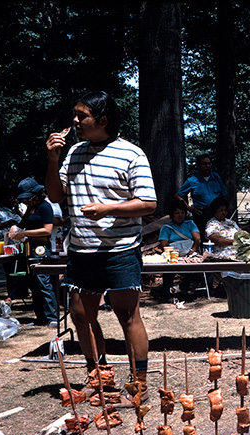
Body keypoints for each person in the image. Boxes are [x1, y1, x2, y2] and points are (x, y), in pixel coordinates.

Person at [45, 90, 157, 405]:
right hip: (81, 250)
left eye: (82, 116)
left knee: (127, 315)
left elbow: (148, 203)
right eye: (75, 115)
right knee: (80, 314)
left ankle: (139, 384)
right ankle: (100, 377)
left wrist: (108, 209)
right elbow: (56, 196)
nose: (75, 121)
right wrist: (53, 160)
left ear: (103, 120)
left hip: (120, 250)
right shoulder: (75, 153)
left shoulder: (131, 154)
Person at [8, 178, 58, 326]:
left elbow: (48, 230)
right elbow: (22, 223)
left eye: (26, 198)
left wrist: (25, 233)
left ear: (35, 195)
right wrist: (15, 227)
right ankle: (40, 317)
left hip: (41, 249)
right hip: (29, 249)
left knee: (44, 282)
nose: (24, 201)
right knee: (34, 284)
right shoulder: (30, 209)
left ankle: (52, 317)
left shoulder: (45, 207)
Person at [158, 199, 201, 297]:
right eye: (177, 213)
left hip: (189, 252)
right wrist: (174, 255)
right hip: (173, 254)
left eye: (182, 213)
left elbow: (197, 239)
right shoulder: (166, 227)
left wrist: (192, 251)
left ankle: (182, 289)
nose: (180, 215)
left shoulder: (190, 224)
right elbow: (164, 244)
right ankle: (167, 293)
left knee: (194, 267)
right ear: (172, 214)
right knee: (168, 268)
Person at [176, 154, 227, 235]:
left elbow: (224, 194)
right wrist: (188, 208)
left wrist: (223, 210)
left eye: (209, 164)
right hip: (201, 214)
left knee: (220, 235)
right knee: (203, 237)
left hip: (217, 213)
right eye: (204, 164)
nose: (207, 166)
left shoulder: (216, 177)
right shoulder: (192, 181)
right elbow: (178, 195)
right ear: (198, 166)